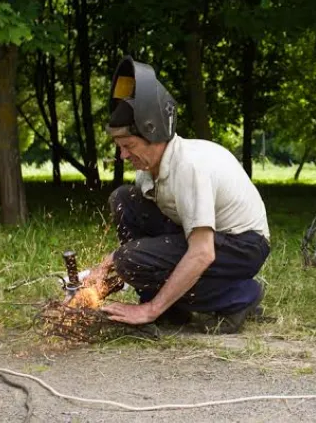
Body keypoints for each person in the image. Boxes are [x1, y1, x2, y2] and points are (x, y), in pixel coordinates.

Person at [84, 56, 271, 334]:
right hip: (205, 236)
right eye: (119, 146)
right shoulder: (149, 167)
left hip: (243, 245)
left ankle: (240, 296)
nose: (123, 155)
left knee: (130, 259)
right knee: (123, 200)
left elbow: (202, 253)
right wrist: (103, 268)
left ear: (154, 134)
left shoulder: (189, 168)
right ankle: (168, 305)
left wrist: (148, 310)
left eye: (128, 145)